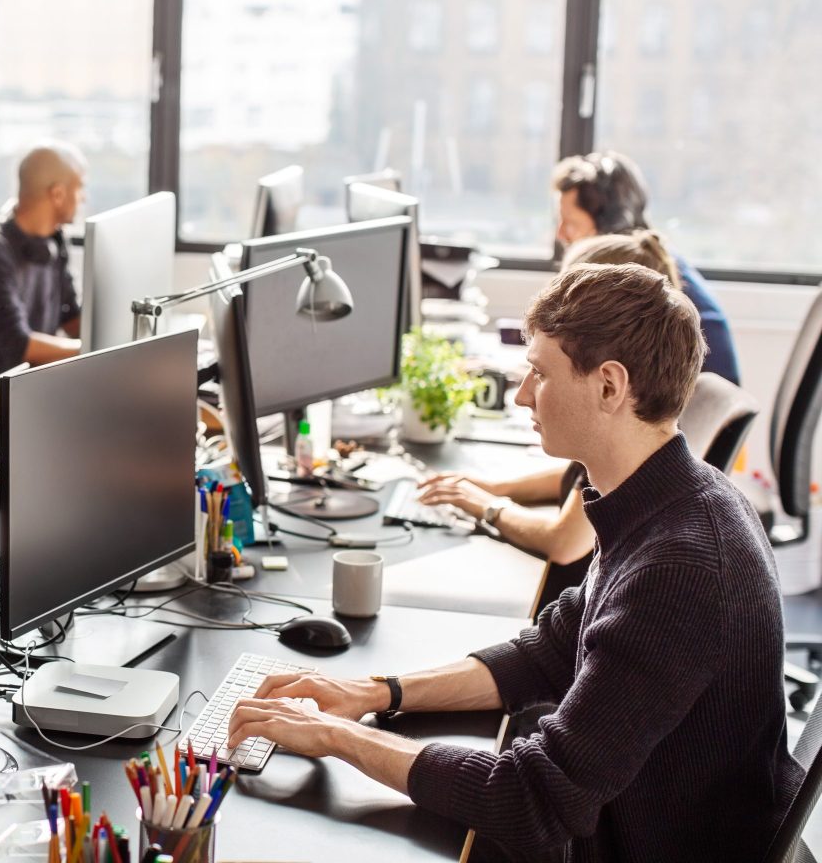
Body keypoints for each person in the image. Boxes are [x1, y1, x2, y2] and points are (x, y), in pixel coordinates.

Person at [228, 263, 801, 861]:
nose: (524, 394)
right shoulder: (666, 496)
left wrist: (336, 737)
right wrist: (374, 694)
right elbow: (550, 651)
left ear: (609, 386)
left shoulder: (680, 566)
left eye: (540, 373)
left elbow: (531, 800)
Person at [418, 230, 684, 572]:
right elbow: (573, 478)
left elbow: (565, 542)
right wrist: (498, 488)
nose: (521, 397)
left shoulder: (625, 444)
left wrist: (489, 505)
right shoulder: (633, 440)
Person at [552, 150, 739, 384]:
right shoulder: (654, 258)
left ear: (609, 223)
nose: (560, 234)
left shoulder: (638, 281)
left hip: (686, 410)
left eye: (571, 223)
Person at [0, 141, 86, 383]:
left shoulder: (55, 240)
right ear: (58, 194)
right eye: (80, 188)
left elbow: (71, 316)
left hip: (33, 382)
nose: (83, 198)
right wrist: (88, 351)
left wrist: (116, 336)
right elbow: (19, 345)